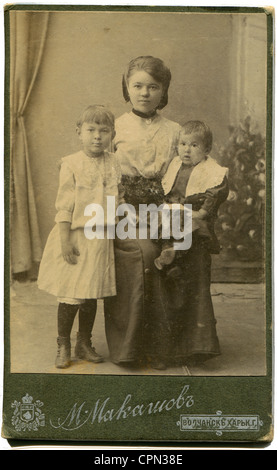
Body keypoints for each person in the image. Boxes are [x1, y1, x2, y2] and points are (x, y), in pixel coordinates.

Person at [104, 56, 181, 370]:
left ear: (163, 91)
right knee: (145, 254)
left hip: (163, 208)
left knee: (178, 253)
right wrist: (122, 211)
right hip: (124, 211)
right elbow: (105, 175)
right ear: (127, 87)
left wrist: (173, 214)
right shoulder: (116, 127)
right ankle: (132, 348)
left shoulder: (175, 130)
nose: (145, 93)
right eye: (138, 85)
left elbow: (180, 177)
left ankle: (166, 347)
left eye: (153, 87)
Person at [37, 105, 123, 369]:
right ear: (79, 132)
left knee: (91, 292)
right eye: (91, 130)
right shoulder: (71, 163)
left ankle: (83, 342)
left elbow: (117, 199)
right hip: (76, 236)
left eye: (104, 131)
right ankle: (63, 343)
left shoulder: (114, 162)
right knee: (71, 294)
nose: (97, 136)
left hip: (101, 237)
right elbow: (64, 204)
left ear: (112, 134)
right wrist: (65, 239)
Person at [158, 120, 229, 366]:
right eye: (183, 144)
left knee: (196, 288)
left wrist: (196, 213)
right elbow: (165, 193)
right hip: (173, 222)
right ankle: (171, 348)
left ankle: (199, 346)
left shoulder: (214, 172)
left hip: (195, 232)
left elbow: (211, 200)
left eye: (194, 145)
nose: (186, 150)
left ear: (207, 149)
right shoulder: (175, 165)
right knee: (173, 286)